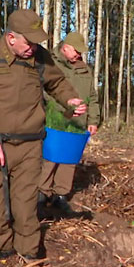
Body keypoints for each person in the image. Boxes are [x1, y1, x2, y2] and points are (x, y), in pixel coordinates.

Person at [0, 9, 86, 260]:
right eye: (28, 41)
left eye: (37, 42)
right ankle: (3, 253)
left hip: (30, 145)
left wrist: (69, 99)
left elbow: (57, 83)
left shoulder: (40, 58)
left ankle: (28, 257)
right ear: (11, 38)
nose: (33, 47)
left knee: (26, 207)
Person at [39, 31, 101, 216]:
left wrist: (93, 120)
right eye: (76, 51)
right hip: (54, 119)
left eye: (81, 52)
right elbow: (44, 91)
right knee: (49, 157)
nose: (79, 55)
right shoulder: (50, 63)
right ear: (65, 48)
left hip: (77, 123)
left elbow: (92, 97)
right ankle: (42, 193)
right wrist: (58, 109)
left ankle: (61, 195)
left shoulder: (84, 69)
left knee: (68, 159)